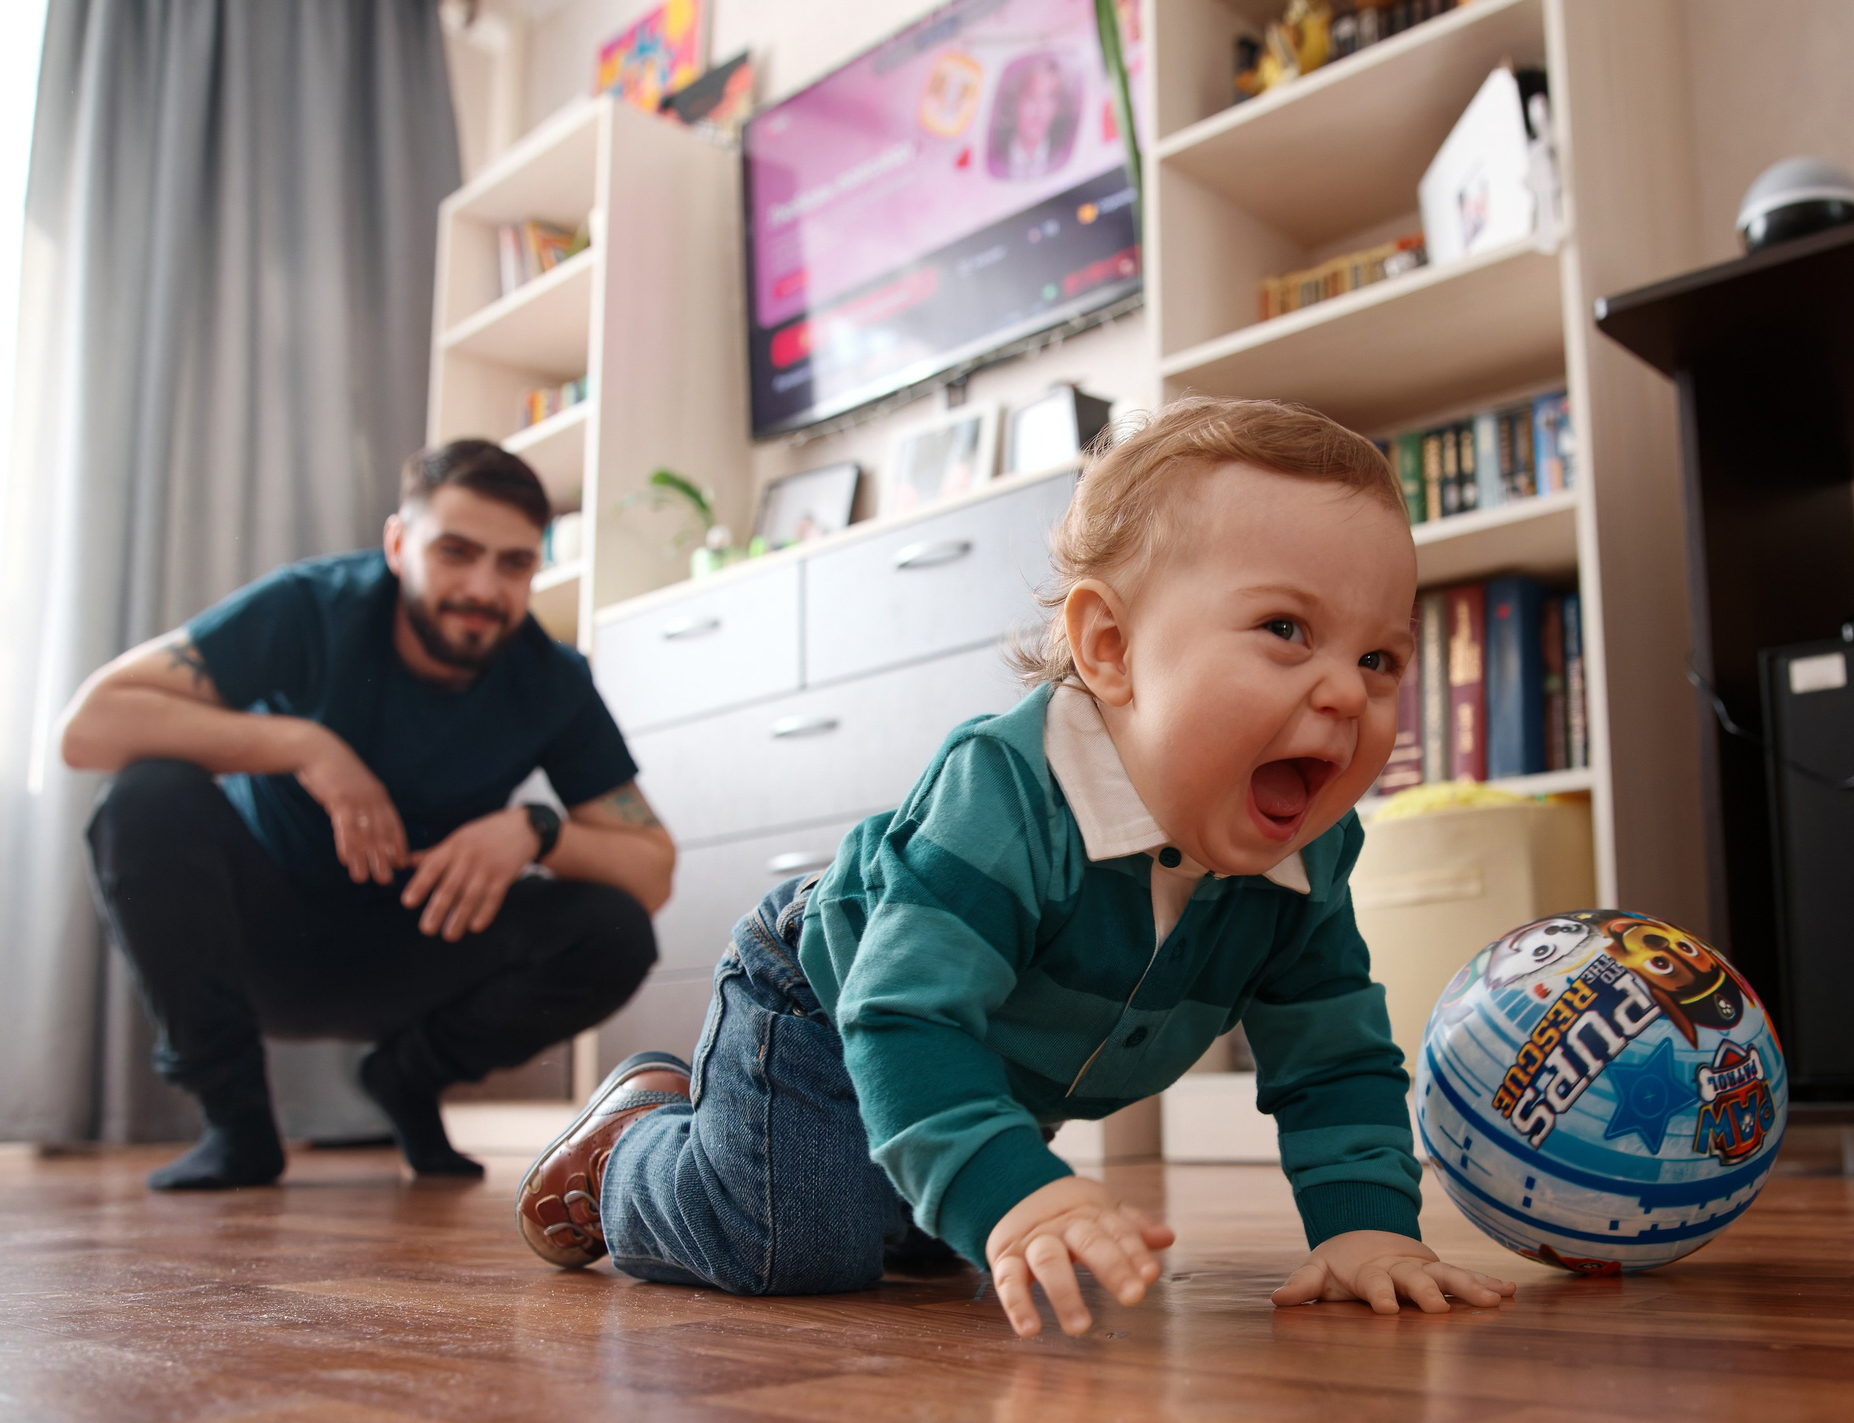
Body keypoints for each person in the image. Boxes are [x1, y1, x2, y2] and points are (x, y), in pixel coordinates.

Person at [516, 398, 1516, 1335]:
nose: (1344, 692)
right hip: (831, 1001)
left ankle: (872, 1180)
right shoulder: (1008, 791)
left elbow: (1332, 1058)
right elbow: (905, 1013)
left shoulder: (1309, 859)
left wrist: (1366, 1228)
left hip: (975, 1067)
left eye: (1380, 659)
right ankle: (632, 1147)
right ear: (1111, 648)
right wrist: (1012, 1193)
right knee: (797, 1242)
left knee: (925, 1235)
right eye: (1285, 631)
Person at [59, 441, 673, 1191]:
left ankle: (408, 1076)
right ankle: (236, 1124)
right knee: (147, 795)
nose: (483, 588)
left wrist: (536, 830)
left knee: (615, 928)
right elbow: (87, 728)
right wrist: (305, 746)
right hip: (257, 937)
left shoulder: (552, 679)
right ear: (397, 544)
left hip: (418, 946)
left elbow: (653, 869)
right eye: (455, 552)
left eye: (513, 563)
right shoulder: (311, 607)